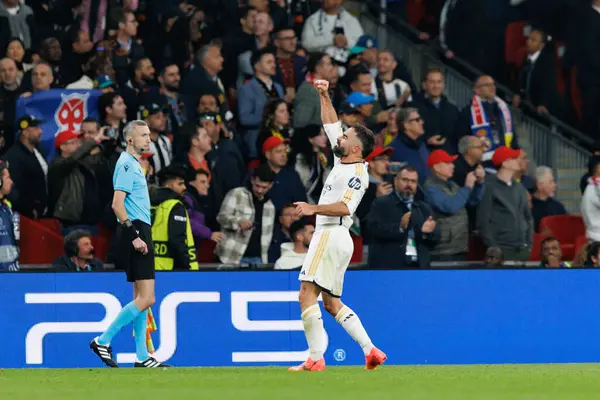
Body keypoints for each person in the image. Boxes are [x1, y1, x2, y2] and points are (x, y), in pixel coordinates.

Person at [289, 79, 386, 372]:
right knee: (331, 303)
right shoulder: (341, 160)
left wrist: (312, 208)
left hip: (331, 233)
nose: (338, 138)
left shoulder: (357, 174)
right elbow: (330, 123)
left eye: (345, 137)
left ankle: (316, 357)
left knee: (306, 294)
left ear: (355, 147)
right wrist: (324, 94)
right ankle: (371, 351)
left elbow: (345, 206)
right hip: (335, 237)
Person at [89, 120, 169, 369]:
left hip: (137, 228)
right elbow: (117, 204)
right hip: (135, 229)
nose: (149, 139)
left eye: (149, 135)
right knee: (147, 298)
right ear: (131, 139)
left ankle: (142, 356)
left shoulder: (132, 164)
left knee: (139, 297)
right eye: (143, 135)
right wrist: (134, 234)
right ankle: (103, 340)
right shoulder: (125, 164)